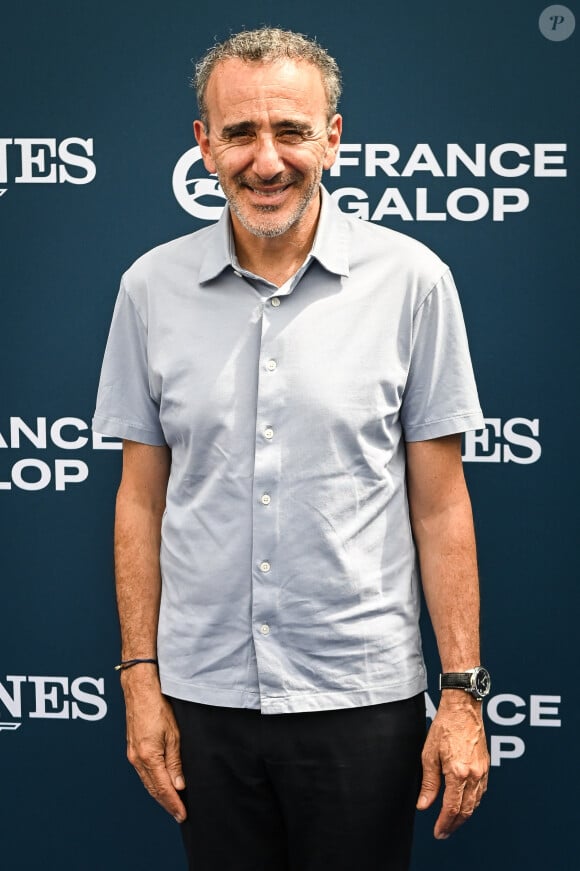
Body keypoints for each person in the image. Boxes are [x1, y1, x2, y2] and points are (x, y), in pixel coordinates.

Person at [93, 26, 490, 871]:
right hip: (202, 697)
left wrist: (460, 693)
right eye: (239, 133)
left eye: (291, 132)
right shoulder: (148, 288)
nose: (265, 161)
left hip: (363, 696)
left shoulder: (412, 280)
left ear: (333, 139)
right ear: (204, 146)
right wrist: (138, 675)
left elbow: (441, 499)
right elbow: (140, 496)